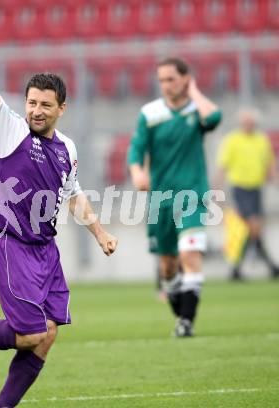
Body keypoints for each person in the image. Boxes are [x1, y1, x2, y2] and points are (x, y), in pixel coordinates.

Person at [0, 14, 118, 408]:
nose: (36, 110)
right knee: (31, 333)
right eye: (32, 102)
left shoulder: (66, 149)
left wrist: (101, 233)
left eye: (45, 105)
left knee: (48, 334)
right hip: (11, 243)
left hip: (45, 250)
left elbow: (73, 196)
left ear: (62, 108)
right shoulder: (12, 130)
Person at [128, 57, 222, 337]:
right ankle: (180, 312)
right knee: (168, 265)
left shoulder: (197, 111)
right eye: (162, 80)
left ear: (185, 78)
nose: (166, 85)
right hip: (161, 200)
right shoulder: (150, 113)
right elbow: (136, 149)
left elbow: (215, 117)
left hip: (193, 195)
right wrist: (137, 172)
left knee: (189, 254)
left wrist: (193, 91)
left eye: (171, 78)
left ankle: (187, 322)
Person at [218, 108, 279, 280]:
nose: (249, 124)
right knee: (253, 225)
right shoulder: (233, 140)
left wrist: (275, 180)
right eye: (246, 121)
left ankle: (236, 269)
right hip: (240, 188)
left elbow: (270, 165)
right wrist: (218, 190)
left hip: (256, 188)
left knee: (252, 229)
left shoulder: (262, 140)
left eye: (251, 121)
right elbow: (223, 167)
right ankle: (270, 264)